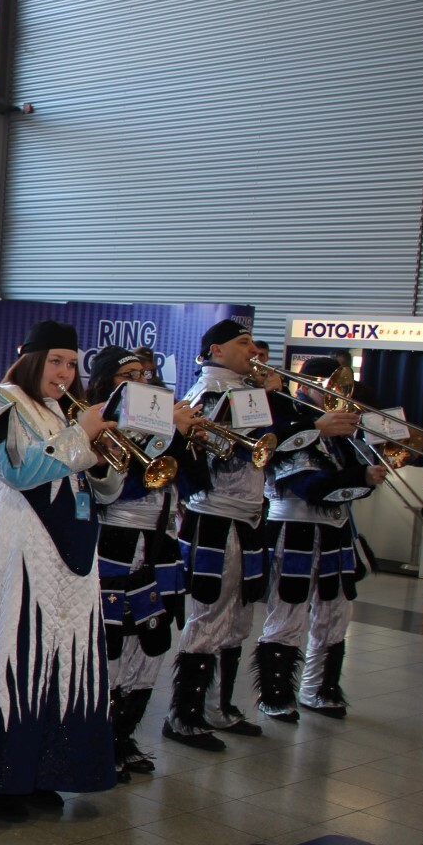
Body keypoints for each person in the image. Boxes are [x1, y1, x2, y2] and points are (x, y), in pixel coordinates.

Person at [0, 321, 123, 821]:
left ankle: (42, 770)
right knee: (13, 648)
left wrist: (103, 456)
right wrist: (81, 435)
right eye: (55, 362)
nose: (64, 373)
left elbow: (106, 490)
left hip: (73, 552)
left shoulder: (64, 410)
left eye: (72, 364)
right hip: (18, 543)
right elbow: (18, 471)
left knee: (62, 654)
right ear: (31, 359)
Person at [163, 320, 287, 751]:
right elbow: (208, 459)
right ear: (216, 349)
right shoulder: (210, 392)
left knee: (238, 617)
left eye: (253, 343)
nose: (254, 350)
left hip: (248, 516)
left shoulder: (244, 389)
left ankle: (217, 706)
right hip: (215, 517)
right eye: (243, 342)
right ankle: (184, 715)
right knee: (209, 613)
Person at [87, 347, 196, 780]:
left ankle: (124, 734)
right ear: (107, 383)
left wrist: (183, 440)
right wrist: (168, 435)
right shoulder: (100, 423)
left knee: (151, 640)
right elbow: (112, 491)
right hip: (115, 539)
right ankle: (98, 740)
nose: (140, 381)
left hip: (160, 540)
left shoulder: (159, 418)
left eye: (143, 374)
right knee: (112, 642)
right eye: (128, 375)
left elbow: (191, 483)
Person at [253, 356, 381, 721]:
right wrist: (360, 478)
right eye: (328, 386)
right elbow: (308, 485)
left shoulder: (338, 433)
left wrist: (367, 473)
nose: (336, 395)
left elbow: (347, 480)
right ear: (305, 384)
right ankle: (275, 694)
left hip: (335, 531)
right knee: (288, 610)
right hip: (294, 529)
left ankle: (320, 688)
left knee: (337, 610)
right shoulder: (287, 420)